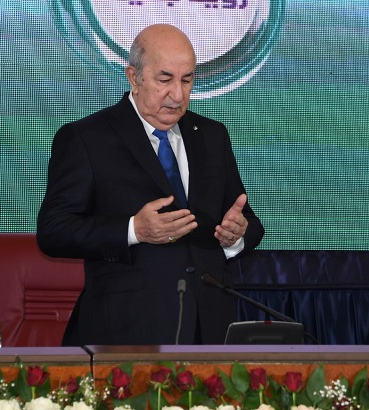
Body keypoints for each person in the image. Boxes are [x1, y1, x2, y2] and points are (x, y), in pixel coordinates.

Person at [36, 23, 264, 345]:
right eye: (165, 79)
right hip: (126, 331)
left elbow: (248, 222)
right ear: (134, 77)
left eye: (187, 80)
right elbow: (54, 231)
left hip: (209, 329)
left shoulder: (212, 136)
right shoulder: (87, 138)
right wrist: (134, 230)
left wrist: (235, 236)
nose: (178, 95)